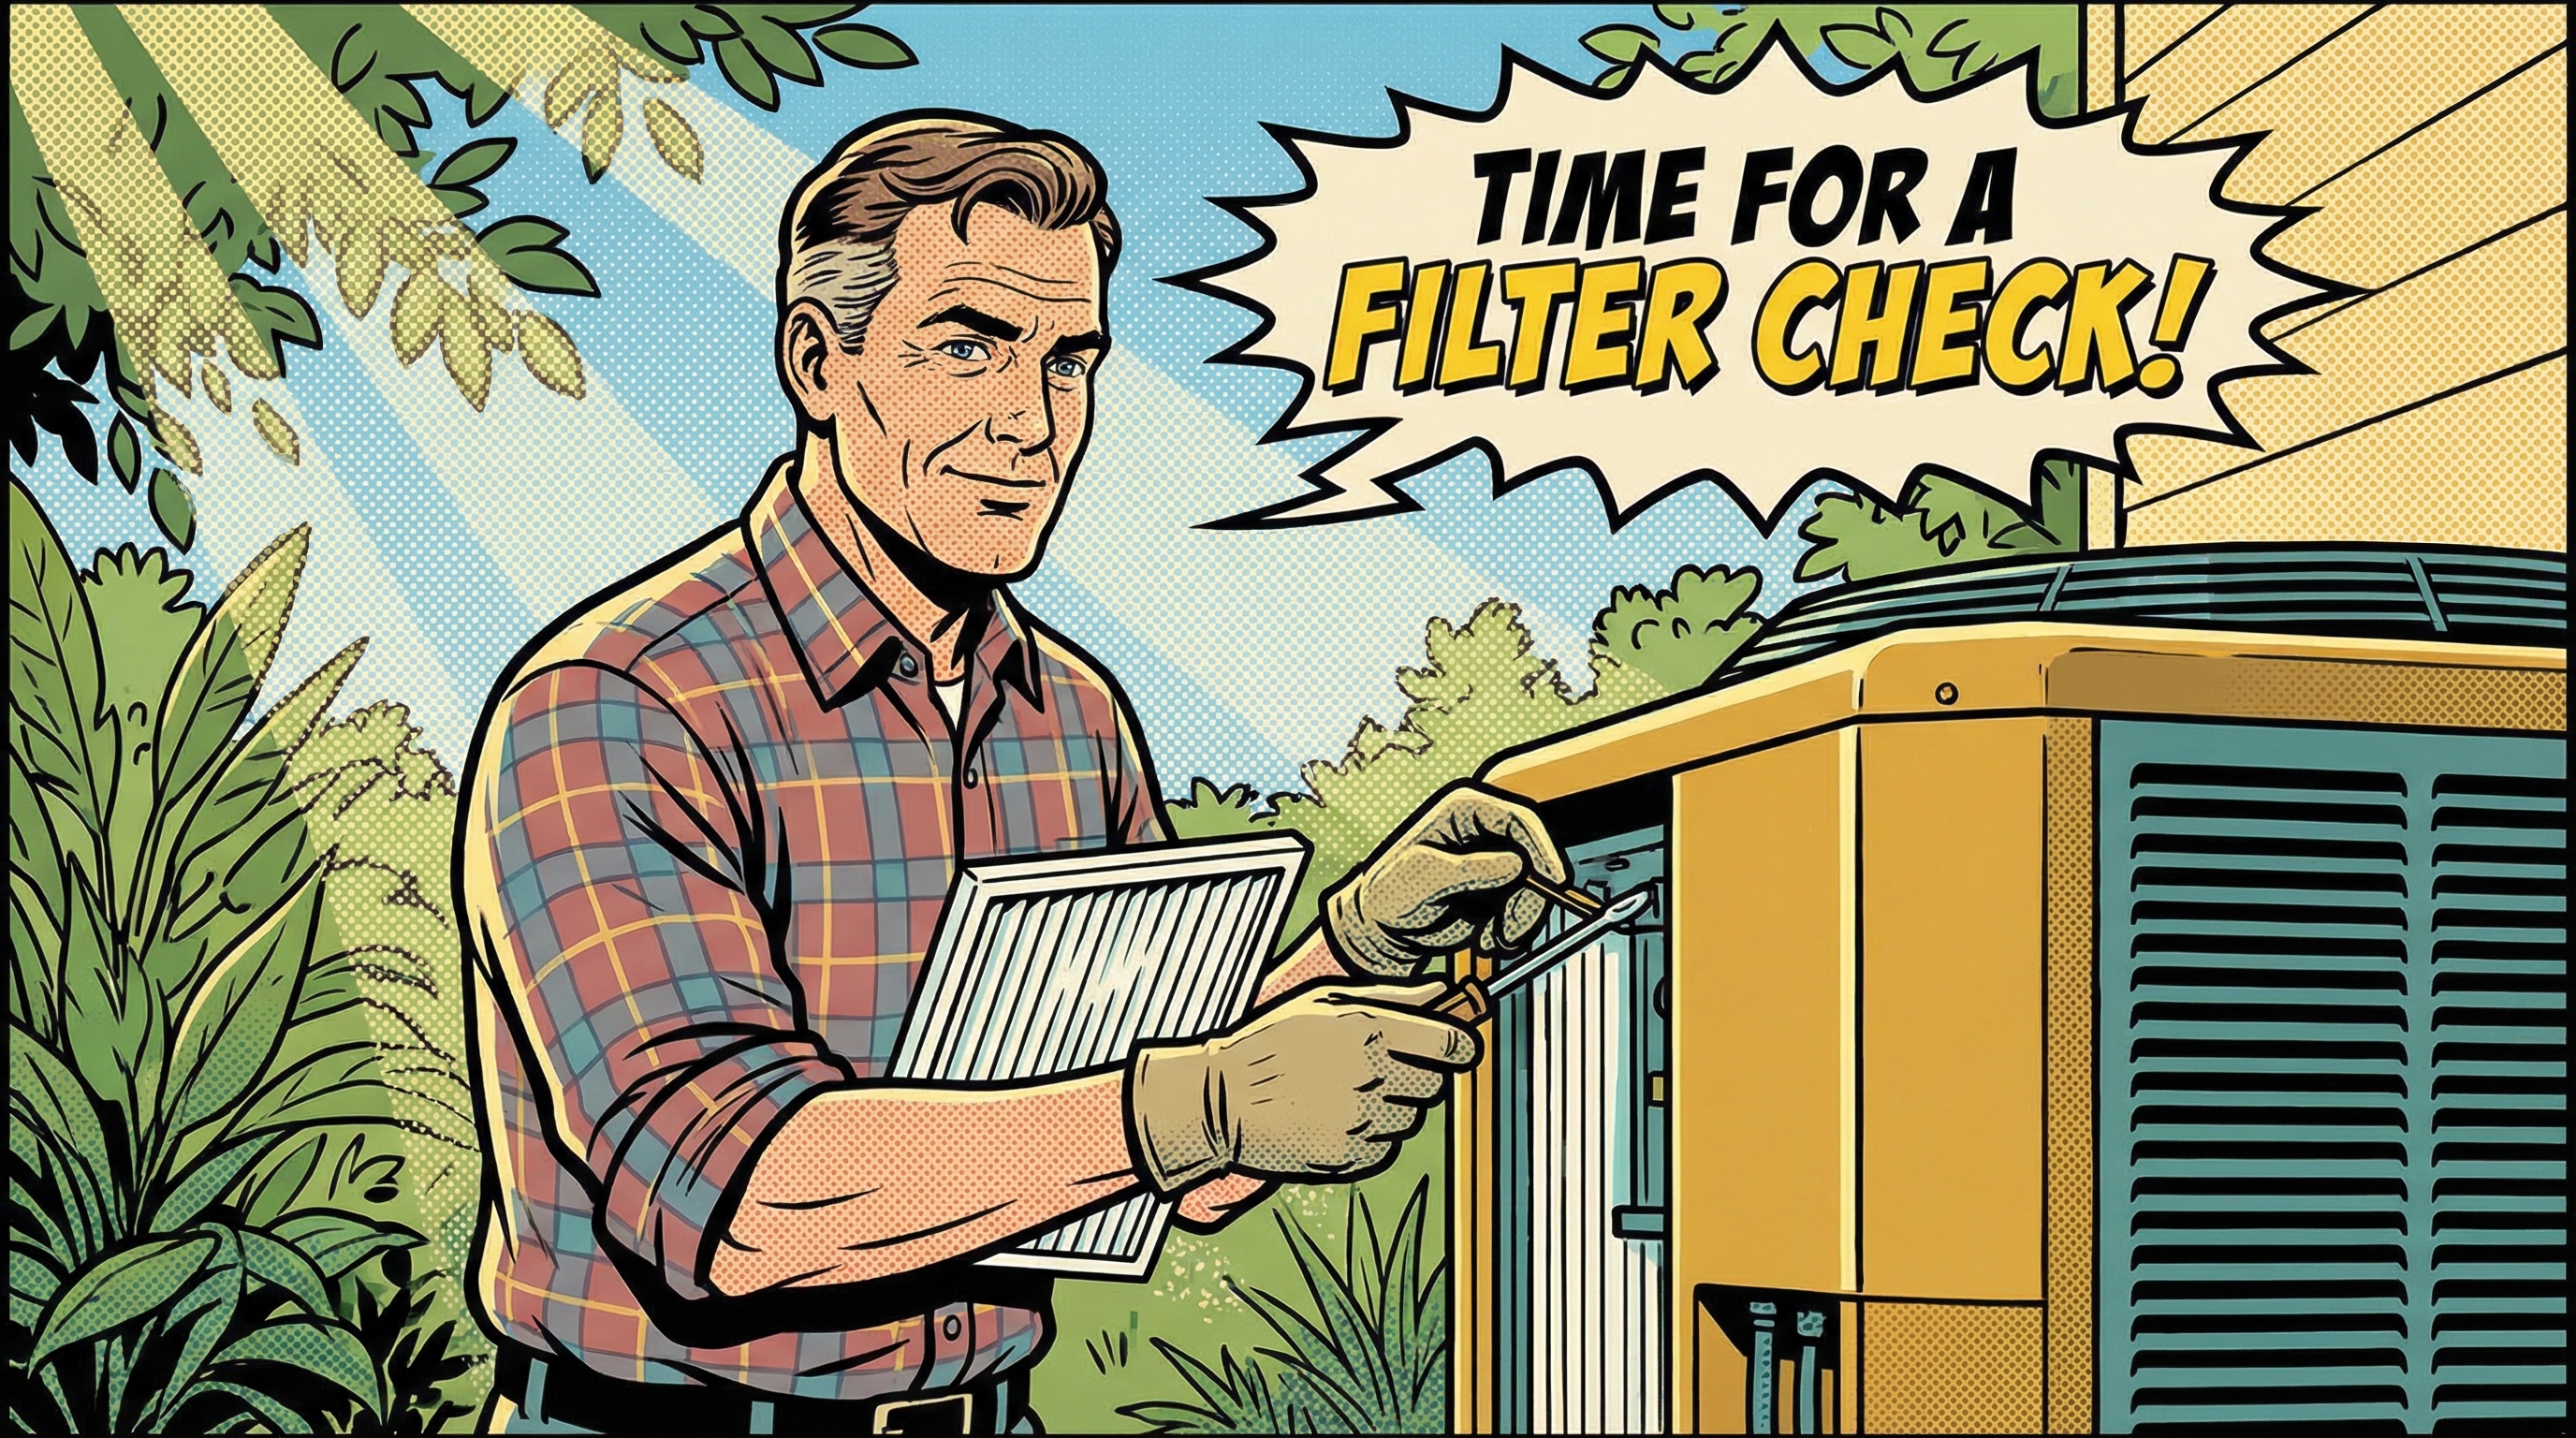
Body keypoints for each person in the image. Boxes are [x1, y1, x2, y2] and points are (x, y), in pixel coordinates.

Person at [459, 111, 1570, 1435]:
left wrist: (1357, 948)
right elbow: (741, 1202)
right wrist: (1204, 1103)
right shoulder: (619, 706)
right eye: (970, 346)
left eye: (1071, 361)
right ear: (818, 362)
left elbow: (1151, 1163)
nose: (1033, 423)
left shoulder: (1075, 717)